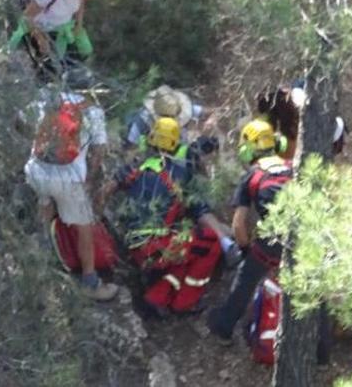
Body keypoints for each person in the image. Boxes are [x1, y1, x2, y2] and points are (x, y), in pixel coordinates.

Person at [100, 118, 237, 315]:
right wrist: (225, 240)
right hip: (158, 246)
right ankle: (185, 303)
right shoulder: (179, 175)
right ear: (175, 144)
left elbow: (106, 191)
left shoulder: (134, 168)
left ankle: (156, 298)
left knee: (187, 250)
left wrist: (97, 218)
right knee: (209, 243)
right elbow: (201, 212)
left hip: (133, 246)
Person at [23, 68, 118, 301]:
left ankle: (39, 265)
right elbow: (98, 151)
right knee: (84, 226)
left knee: (44, 206)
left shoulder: (45, 99)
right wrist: (88, 178)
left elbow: (20, 122)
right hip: (67, 177)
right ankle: (90, 281)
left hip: (36, 171)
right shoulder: (92, 111)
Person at [206, 119, 294, 341]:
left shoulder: (252, 176)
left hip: (273, 242)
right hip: (304, 237)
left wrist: (245, 249)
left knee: (246, 277)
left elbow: (238, 224)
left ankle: (223, 328)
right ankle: (321, 352)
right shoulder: (293, 166)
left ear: (250, 146)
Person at [7, 0, 104, 81]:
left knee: (84, 50)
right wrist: (40, 38)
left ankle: (66, 73)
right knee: (45, 64)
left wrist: (79, 24)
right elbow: (27, 17)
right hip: (38, 27)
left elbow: (81, 3)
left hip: (62, 27)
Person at [125, 85, 204, 149]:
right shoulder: (143, 119)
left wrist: (211, 120)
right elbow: (132, 144)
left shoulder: (176, 105)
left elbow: (205, 112)